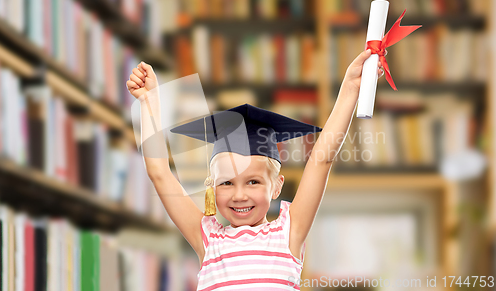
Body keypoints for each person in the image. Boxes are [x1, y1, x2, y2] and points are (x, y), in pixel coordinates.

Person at [126, 49, 385, 290]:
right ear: (211, 187)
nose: (239, 195)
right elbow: (159, 172)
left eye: (253, 182)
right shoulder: (208, 239)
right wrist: (149, 101)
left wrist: (351, 89)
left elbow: (321, 159)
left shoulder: (288, 232)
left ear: (276, 186)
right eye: (226, 183)